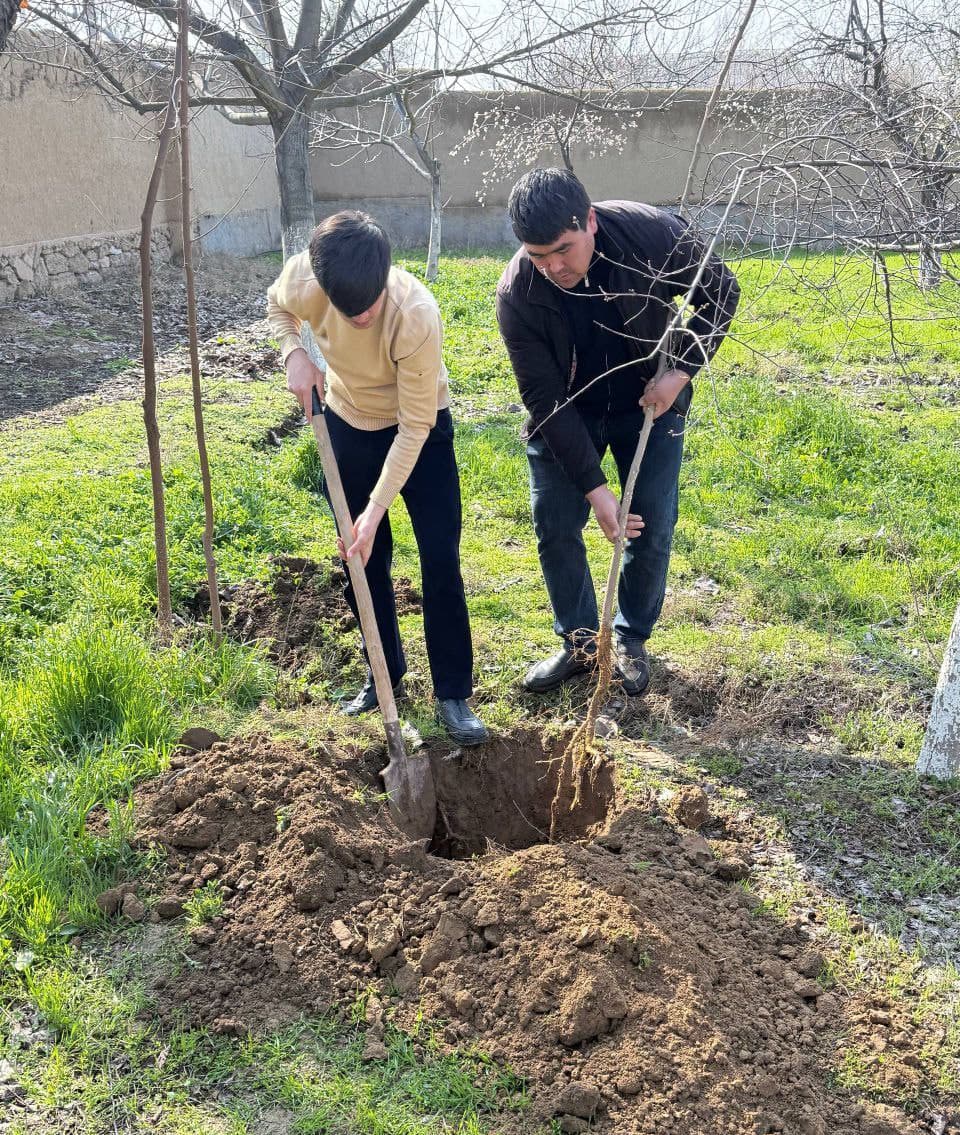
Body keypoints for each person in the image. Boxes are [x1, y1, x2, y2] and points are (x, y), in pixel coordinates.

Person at [496, 169, 740, 696]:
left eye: (563, 249)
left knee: (650, 525)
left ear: (589, 221)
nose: (554, 267)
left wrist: (679, 373)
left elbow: (721, 291)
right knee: (556, 524)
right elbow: (543, 399)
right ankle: (581, 642)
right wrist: (595, 489)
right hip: (566, 411)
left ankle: (630, 638)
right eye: (539, 255)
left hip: (648, 400)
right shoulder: (518, 291)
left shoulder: (652, 236)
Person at [267, 210, 488, 746]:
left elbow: (414, 427)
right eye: (349, 308)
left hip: (420, 427)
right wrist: (295, 353)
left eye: (368, 304)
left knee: (440, 556)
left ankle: (453, 692)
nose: (360, 315)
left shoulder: (415, 313)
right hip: (346, 420)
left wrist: (375, 507)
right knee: (363, 561)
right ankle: (382, 674)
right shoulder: (305, 277)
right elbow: (276, 307)